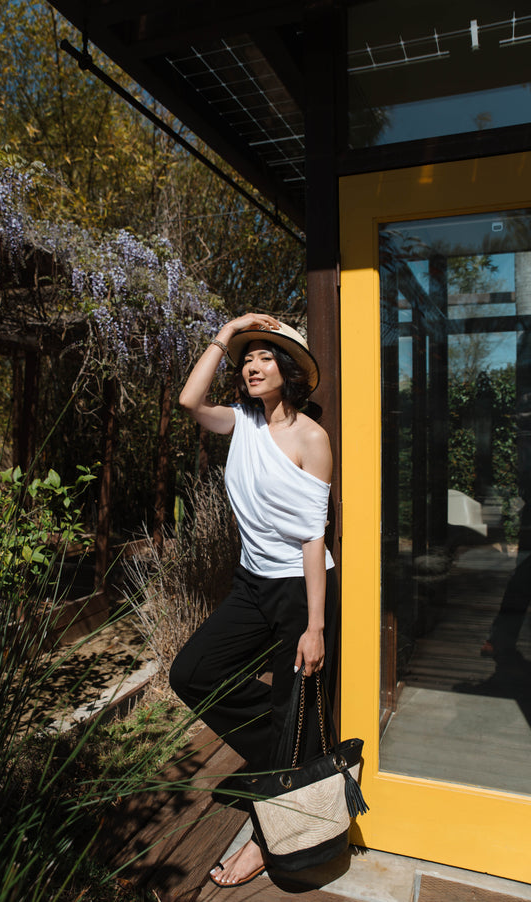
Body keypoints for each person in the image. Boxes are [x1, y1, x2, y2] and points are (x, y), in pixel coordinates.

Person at [169, 312, 337, 888]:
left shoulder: (313, 439)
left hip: (298, 592)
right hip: (251, 584)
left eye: (264, 356)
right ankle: (286, 759)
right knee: (192, 672)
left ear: (288, 370)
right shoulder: (239, 421)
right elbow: (190, 400)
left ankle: (268, 844)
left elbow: (314, 536)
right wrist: (230, 328)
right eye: (246, 359)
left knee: (298, 709)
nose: (252, 365)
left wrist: (314, 625)